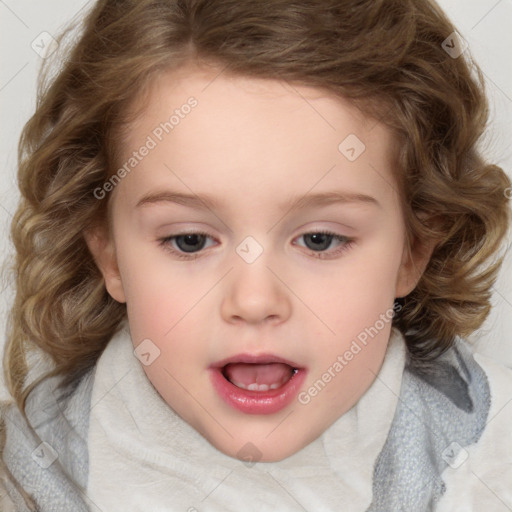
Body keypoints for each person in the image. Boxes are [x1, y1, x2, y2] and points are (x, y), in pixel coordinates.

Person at [1, 0, 511, 510]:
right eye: (190, 241)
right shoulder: (25, 475)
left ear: (413, 250)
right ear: (109, 256)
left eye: (319, 240)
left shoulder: (488, 467)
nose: (254, 300)